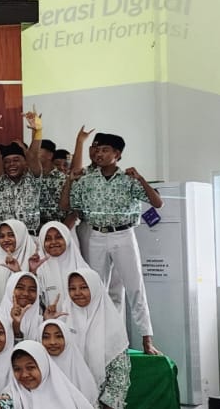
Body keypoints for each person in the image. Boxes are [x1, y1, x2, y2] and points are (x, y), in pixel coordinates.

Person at [63, 128, 163, 355]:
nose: (98, 154)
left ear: (117, 154)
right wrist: (70, 181)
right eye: (97, 150)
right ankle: (98, 340)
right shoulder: (87, 180)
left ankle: (147, 340)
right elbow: (66, 206)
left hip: (123, 235)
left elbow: (157, 203)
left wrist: (140, 178)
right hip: (96, 235)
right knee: (97, 289)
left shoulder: (128, 180)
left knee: (135, 287)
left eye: (105, 150)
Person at [64, 269, 138, 409]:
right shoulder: (65, 319)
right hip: (74, 402)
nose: (77, 293)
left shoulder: (112, 327)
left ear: (96, 289)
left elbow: (119, 379)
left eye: (84, 287)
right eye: (72, 288)